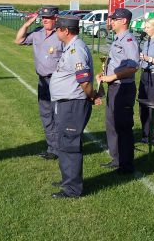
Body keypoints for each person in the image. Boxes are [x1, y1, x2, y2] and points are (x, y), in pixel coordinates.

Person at [49, 17, 99, 199]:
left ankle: (72, 189)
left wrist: (91, 95)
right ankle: (67, 180)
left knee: (70, 144)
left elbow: (84, 80)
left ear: (66, 31)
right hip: (66, 102)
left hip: (73, 103)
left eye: (57, 29)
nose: (56, 32)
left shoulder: (76, 49)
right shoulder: (71, 47)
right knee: (64, 142)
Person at [15, 6, 64, 160]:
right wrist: (26, 25)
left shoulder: (62, 34)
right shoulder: (37, 33)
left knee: (60, 116)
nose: (44, 21)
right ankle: (52, 148)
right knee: (46, 115)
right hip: (43, 81)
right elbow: (19, 40)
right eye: (43, 18)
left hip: (58, 81)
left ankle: (64, 147)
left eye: (48, 18)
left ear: (56, 18)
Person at [96, 8, 139, 174]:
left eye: (115, 19)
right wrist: (105, 74)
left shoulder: (128, 40)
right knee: (112, 124)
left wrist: (111, 77)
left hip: (123, 87)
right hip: (115, 86)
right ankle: (116, 159)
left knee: (123, 126)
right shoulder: (118, 38)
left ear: (124, 21)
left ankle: (126, 165)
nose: (111, 21)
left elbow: (133, 67)